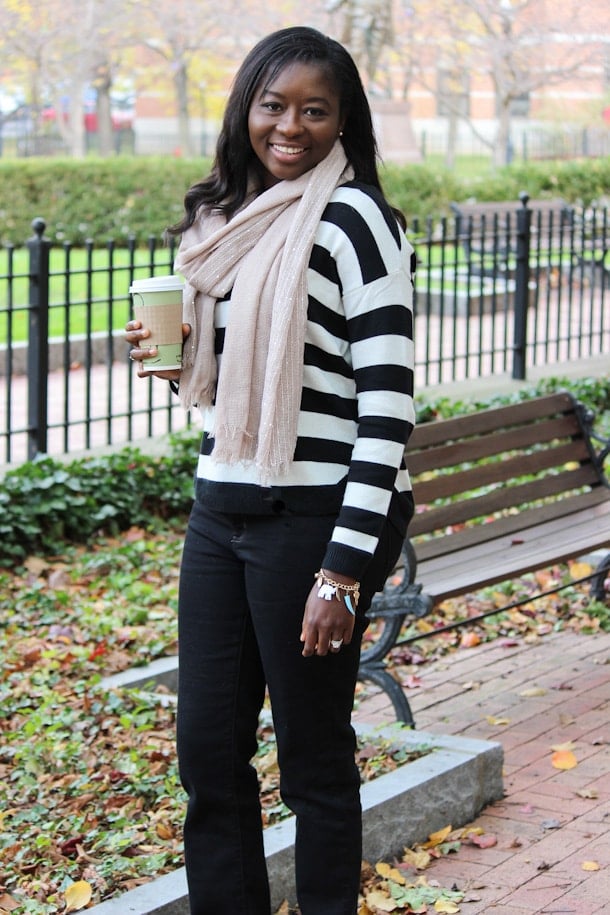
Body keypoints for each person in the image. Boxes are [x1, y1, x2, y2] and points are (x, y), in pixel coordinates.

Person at [125, 25, 415, 915]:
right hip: (223, 506)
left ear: (342, 121)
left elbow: (387, 411)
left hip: (316, 519)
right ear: (246, 109)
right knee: (208, 750)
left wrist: (343, 571)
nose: (290, 126)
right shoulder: (229, 225)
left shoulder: (358, 221)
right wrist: (178, 361)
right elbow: (234, 398)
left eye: (315, 110)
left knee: (313, 755)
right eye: (273, 104)